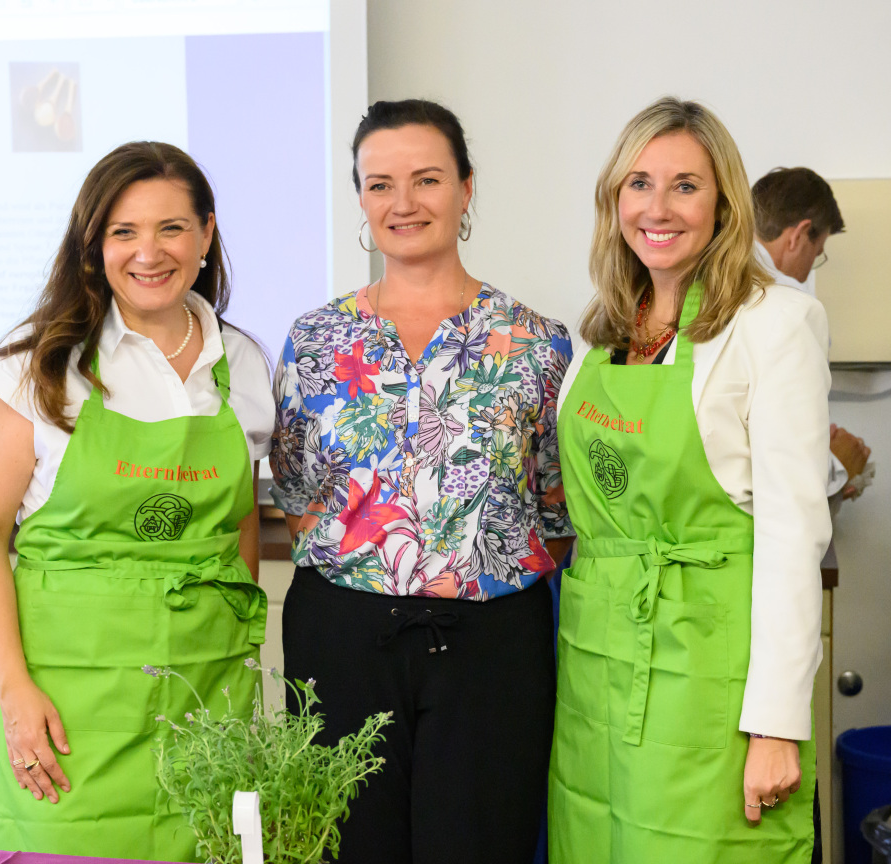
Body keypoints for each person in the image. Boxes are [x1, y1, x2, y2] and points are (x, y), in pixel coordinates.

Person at [271, 98, 574, 864]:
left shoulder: (537, 344)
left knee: (478, 846)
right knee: (346, 848)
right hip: (342, 639)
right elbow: (297, 494)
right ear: (361, 200)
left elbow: (555, 505)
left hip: (492, 650)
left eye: (427, 179)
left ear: (467, 189)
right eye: (379, 185)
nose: (402, 203)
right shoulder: (315, 338)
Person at [0, 141, 274, 859]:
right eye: (123, 232)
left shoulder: (244, 363)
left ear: (206, 234)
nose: (148, 252)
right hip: (68, 708)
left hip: (206, 698)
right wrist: (14, 693)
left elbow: (239, 523)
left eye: (170, 228)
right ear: (93, 244)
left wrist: (236, 659)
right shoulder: (35, 366)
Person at [548, 97, 829, 863]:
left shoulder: (774, 324)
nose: (657, 207)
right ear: (614, 201)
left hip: (708, 675)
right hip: (596, 670)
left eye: (685, 185)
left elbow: (792, 533)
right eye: (638, 183)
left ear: (725, 202)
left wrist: (775, 724)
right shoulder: (606, 327)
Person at [752, 167, 872, 504]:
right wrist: (838, 468)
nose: (809, 270)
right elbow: (786, 458)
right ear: (798, 235)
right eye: (816, 253)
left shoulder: (705, 283)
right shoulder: (794, 312)